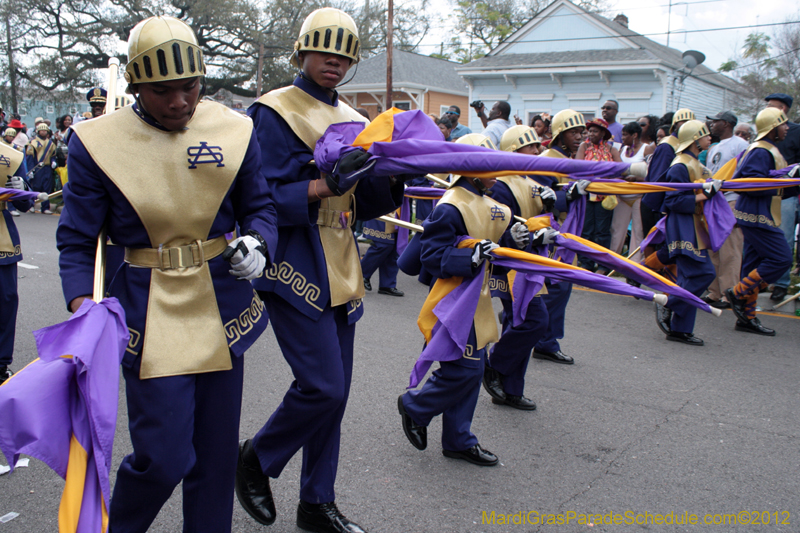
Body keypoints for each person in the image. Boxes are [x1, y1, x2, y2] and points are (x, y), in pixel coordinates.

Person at [56, 16, 278, 533]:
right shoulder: (94, 143)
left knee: (217, 459)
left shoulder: (234, 127)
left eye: (191, 87)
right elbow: (75, 239)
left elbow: (260, 205)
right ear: (136, 86)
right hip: (145, 313)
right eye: (163, 91)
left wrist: (258, 243)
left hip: (222, 306)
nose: (180, 101)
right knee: (164, 458)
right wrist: (79, 307)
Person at [234, 9, 402, 533]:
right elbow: (258, 198)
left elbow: (366, 202)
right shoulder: (273, 111)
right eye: (326, 51)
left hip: (342, 255)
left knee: (337, 396)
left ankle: (317, 502)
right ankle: (257, 459)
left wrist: (396, 171)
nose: (334, 62)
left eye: (345, 55)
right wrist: (324, 186)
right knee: (323, 387)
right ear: (302, 52)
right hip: (294, 258)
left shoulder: (353, 116)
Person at [398, 133, 523, 468]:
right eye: (487, 166)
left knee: (472, 366)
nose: (494, 173)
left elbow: (500, 241)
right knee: (465, 369)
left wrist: (524, 238)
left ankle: (457, 439)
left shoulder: (489, 200)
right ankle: (416, 406)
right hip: (453, 299)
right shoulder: (451, 205)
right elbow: (431, 255)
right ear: (468, 168)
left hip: (477, 296)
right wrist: (468, 258)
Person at [482, 125, 556, 411]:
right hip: (513, 265)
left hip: (530, 263)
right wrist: (533, 233)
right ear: (514, 150)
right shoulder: (501, 184)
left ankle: (511, 389)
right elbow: (502, 225)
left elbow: (544, 218)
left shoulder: (529, 179)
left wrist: (557, 202)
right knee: (533, 320)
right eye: (532, 147)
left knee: (521, 321)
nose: (538, 151)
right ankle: (495, 365)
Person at [725, 107, 794, 336]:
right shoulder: (761, 150)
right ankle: (737, 292)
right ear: (773, 127)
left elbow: (773, 186)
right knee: (782, 259)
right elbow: (751, 183)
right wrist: (785, 179)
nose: (787, 128)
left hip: (758, 213)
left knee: (753, 267)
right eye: (783, 124)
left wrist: (790, 180)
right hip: (757, 215)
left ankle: (747, 317)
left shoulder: (765, 149)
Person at [532, 109, 592, 365]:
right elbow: (535, 197)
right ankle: (540, 338)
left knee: (560, 289)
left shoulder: (566, 159)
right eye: (574, 132)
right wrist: (567, 195)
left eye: (581, 131)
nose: (580, 136)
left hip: (565, 234)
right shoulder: (548, 159)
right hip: (549, 234)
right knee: (553, 289)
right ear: (559, 134)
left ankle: (545, 339)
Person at [657, 120, 720, 346]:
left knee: (688, 276)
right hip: (683, 225)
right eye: (705, 134)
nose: (709, 137)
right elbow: (673, 200)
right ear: (695, 138)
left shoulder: (694, 162)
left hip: (693, 223)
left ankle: (680, 329)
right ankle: (669, 303)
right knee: (704, 273)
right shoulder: (680, 164)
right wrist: (706, 195)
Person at [703, 111, 749, 308]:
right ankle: (714, 291)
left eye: (716, 122)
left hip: (731, 200)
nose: (712, 125)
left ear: (726, 124)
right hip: (713, 201)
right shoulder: (714, 148)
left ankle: (729, 293)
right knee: (714, 247)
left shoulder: (740, 145)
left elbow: (743, 174)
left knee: (730, 248)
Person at [0, 141, 32, 384]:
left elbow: (25, 203)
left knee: (5, 302)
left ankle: (0, 364)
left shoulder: (10, 156)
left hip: (2, 238)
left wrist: (21, 190)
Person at [763, 93, 799, 301]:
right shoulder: (765, 133)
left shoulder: (795, 132)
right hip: (764, 196)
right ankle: (762, 280)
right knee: (763, 239)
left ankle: (781, 283)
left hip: (786, 197)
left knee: (784, 240)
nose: (766, 108)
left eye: (771, 106)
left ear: (783, 109)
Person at [576, 118, 621, 273]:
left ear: (603, 133)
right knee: (586, 230)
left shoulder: (611, 150)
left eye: (595, 131)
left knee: (602, 231)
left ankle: (603, 265)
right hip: (586, 195)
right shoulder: (584, 147)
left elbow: (620, 169)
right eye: (590, 131)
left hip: (605, 196)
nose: (591, 134)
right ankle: (586, 263)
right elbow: (577, 167)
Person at [641, 109, 695, 236]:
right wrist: (661, 208)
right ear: (675, 124)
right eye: (683, 122)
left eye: (689, 122)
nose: (687, 125)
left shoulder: (686, 144)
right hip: (658, 205)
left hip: (676, 202)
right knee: (655, 243)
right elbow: (658, 179)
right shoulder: (668, 145)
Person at [610, 121, 649, 260]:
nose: (623, 138)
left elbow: (650, 174)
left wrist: (637, 178)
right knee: (616, 230)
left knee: (638, 232)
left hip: (639, 196)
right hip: (622, 196)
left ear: (635, 135)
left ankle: (635, 264)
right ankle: (613, 261)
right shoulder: (621, 150)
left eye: (625, 135)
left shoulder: (646, 149)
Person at [361, 214, 404, 296]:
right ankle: (361, 275)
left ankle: (387, 284)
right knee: (383, 244)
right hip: (383, 207)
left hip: (397, 208)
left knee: (394, 247)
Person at [24, 123, 56, 214]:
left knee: (47, 187)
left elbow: (53, 155)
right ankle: (31, 205)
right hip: (37, 167)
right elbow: (30, 157)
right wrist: (31, 170)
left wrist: (53, 161)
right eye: (42, 130)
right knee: (36, 187)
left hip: (47, 168)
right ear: (38, 131)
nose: (44, 132)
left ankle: (45, 207)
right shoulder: (32, 142)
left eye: (45, 130)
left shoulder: (51, 143)